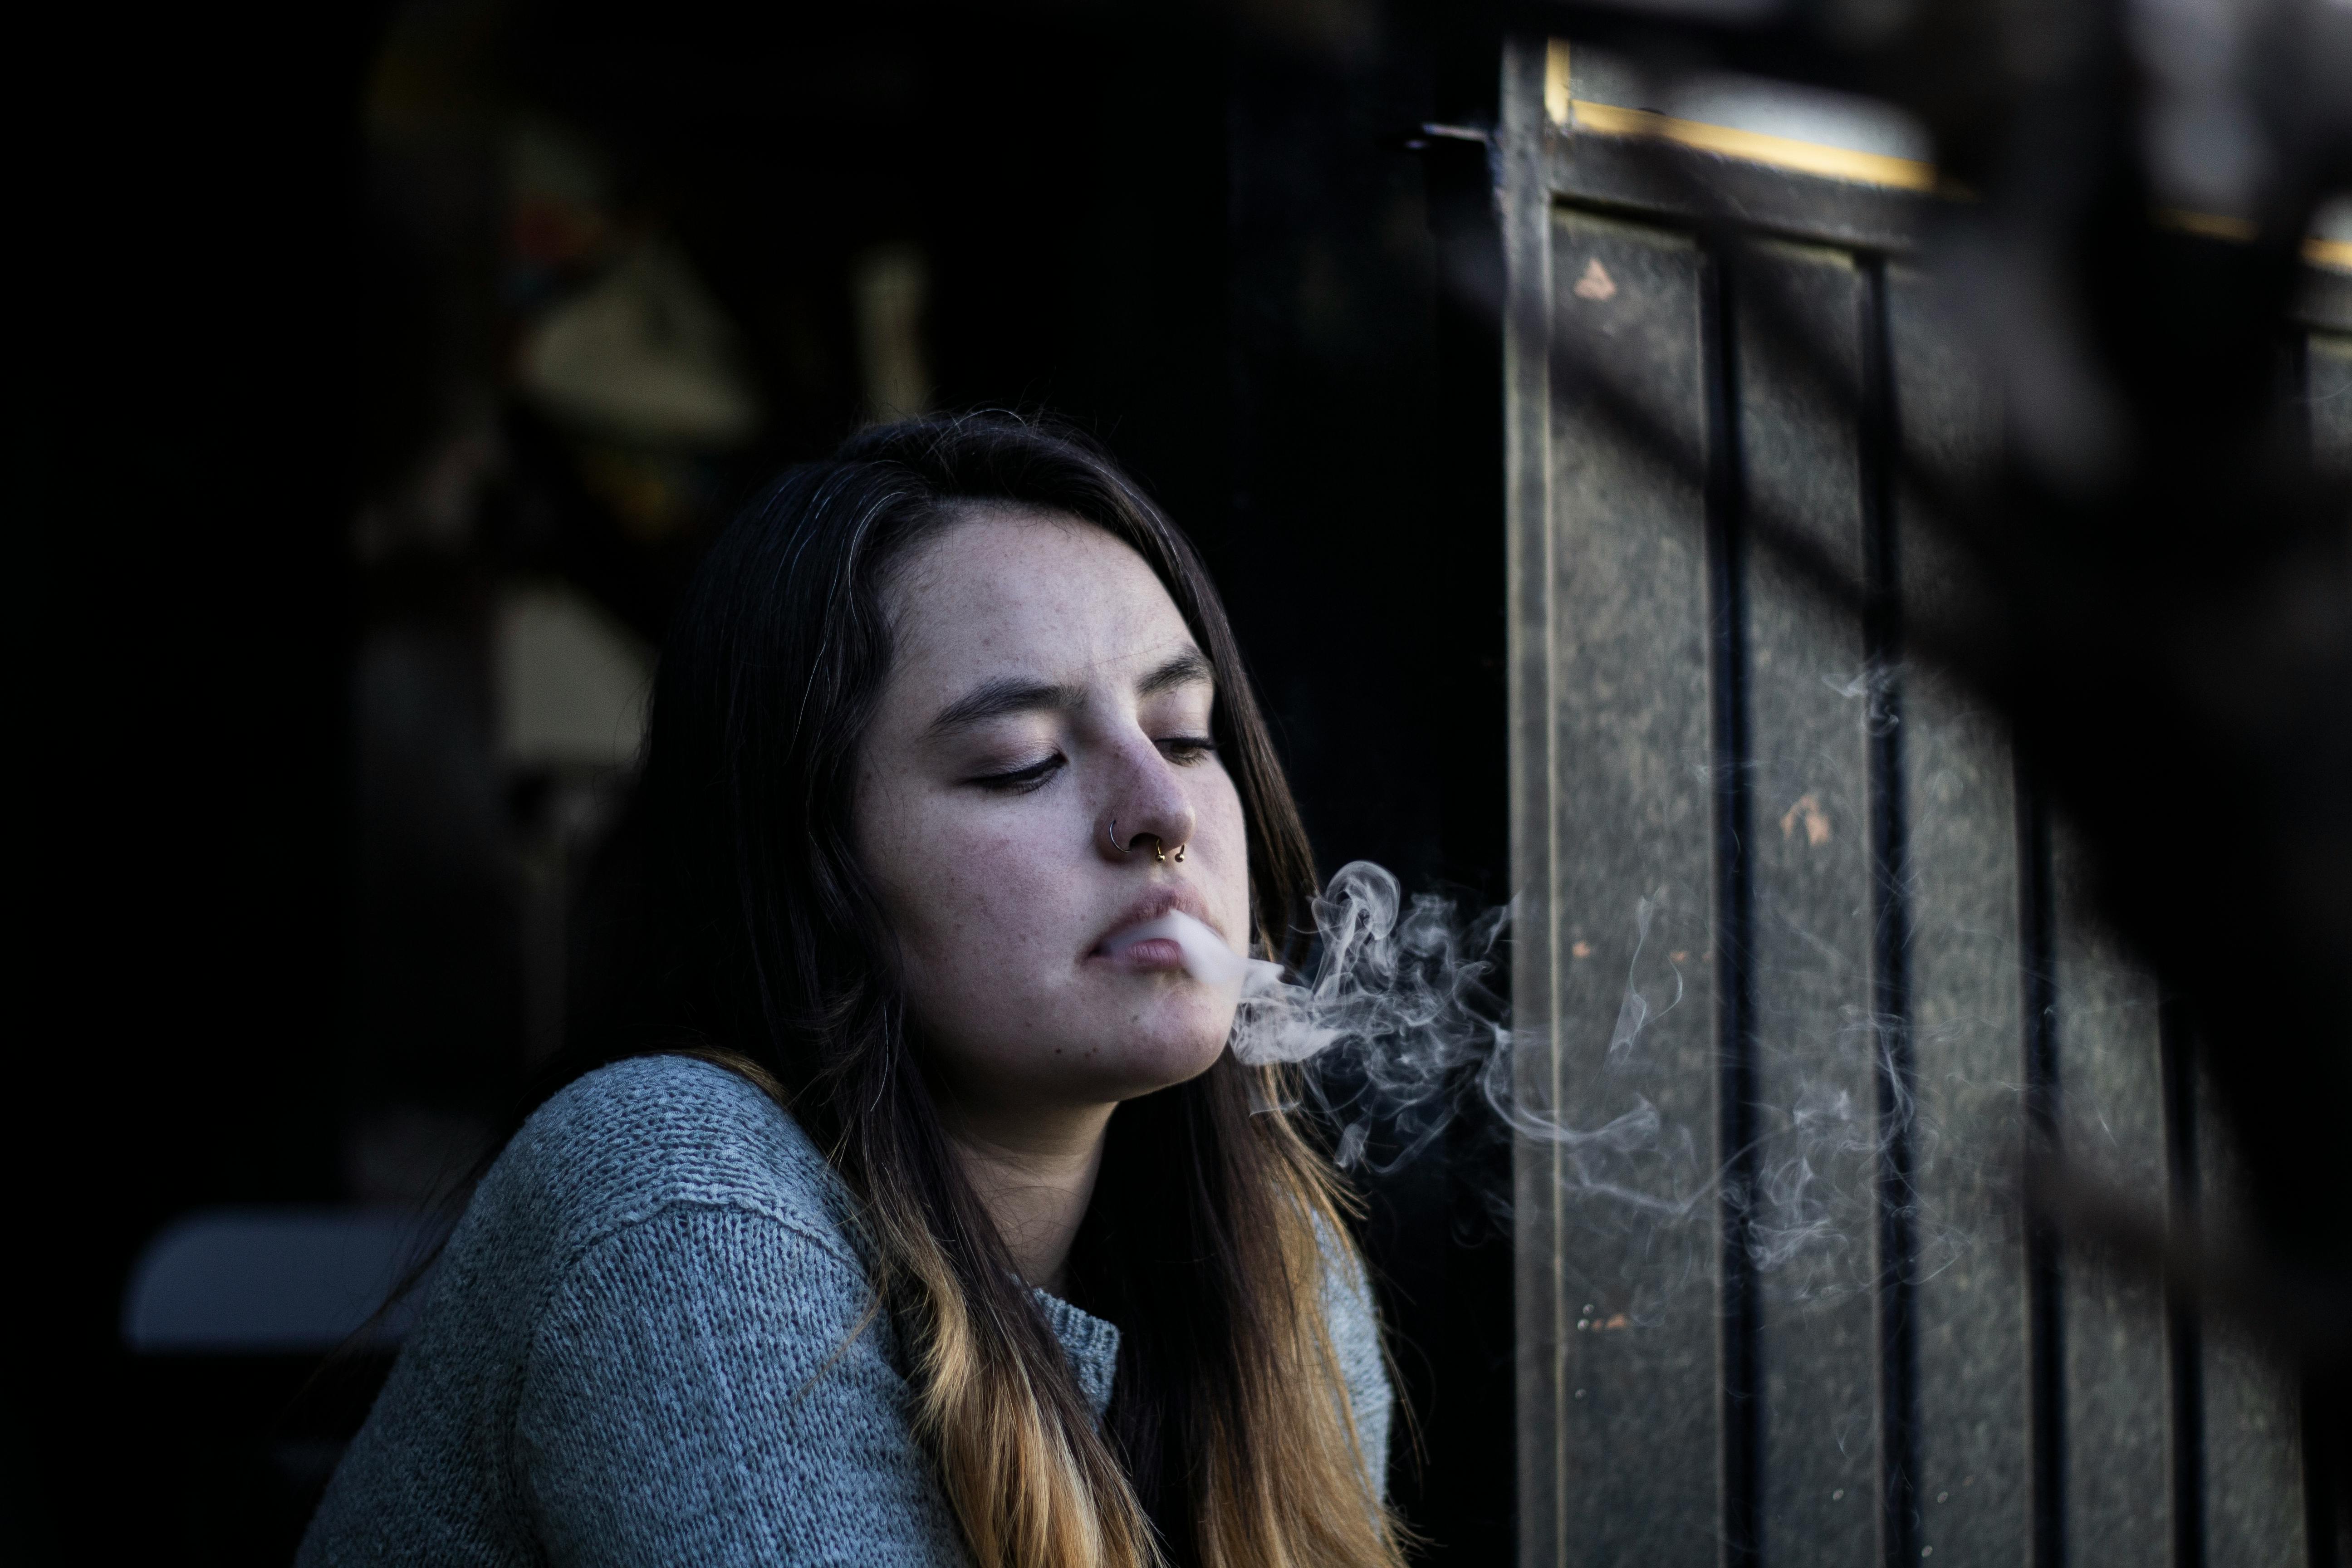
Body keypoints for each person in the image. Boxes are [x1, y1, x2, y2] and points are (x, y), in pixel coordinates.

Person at [298, 414, 1404, 1568]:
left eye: (1182, 735)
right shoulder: (683, 1202)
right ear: (816, 873)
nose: (1163, 816)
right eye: (1021, 759)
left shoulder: (1280, 1269)